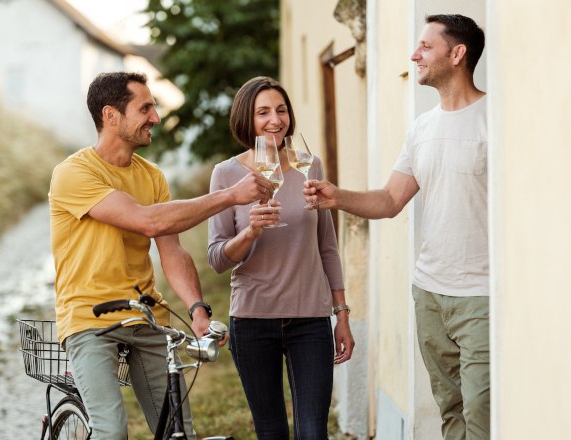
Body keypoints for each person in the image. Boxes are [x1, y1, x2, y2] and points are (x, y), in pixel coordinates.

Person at [48, 71, 274, 440]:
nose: (155, 117)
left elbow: (172, 250)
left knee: (177, 430)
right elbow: (147, 222)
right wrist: (230, 195)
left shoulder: (152, 176)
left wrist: (198, 310)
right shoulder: (73, 173)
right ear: (111, 115)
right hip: (89, 319)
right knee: (111, 430)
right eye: (146, 108)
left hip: (145, 316)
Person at [304, 14, 489, 440]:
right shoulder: (422, 128)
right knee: (451, 409)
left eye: (426, 46)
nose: (414, 54)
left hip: (482, 295)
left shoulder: (493, 120)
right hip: (429, 294)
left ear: (457, 54)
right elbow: (390, 200)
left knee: (483, 410)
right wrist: (338, 196)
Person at [207, 76, 355, 439]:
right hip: (253, 319)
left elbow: (327, 245)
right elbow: (217, 257)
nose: (275, 120)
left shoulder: (309, 165)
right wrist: (251, 231)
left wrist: (342, 314)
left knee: (313, 432)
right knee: (271, 431)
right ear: (248, 118)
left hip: (310, 319)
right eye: (263, 112)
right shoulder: (227, 174)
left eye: (281, 110)